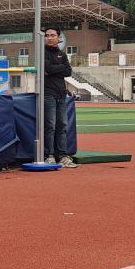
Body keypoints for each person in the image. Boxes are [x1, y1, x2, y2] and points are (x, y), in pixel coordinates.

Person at [42, 27, 76, 168]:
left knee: (62, 126)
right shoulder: (42, 53)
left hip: (61, 94)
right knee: (50, 126)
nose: (50, 38)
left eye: (53, 35)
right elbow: (48, 69)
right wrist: (59, 68)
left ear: (58, 38)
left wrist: (55, 69)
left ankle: (61, 155)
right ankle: (48, 155)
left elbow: (68, 71)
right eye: (47, 35)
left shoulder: (62, 54)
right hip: (48, 93)